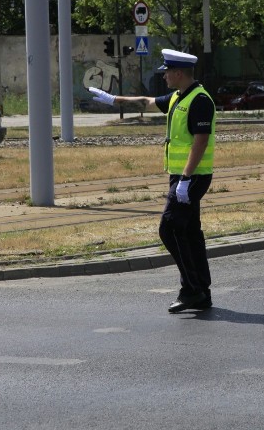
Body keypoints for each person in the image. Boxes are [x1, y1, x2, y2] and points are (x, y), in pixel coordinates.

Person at [88, 49, 216, 313]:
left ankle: (192, 289)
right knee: (189, 232)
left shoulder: (199, 100)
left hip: (191, 177)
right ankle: (201, 290)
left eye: (167, 72)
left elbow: (200, 142)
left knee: (169, 229)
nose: (164, 76)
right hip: (183, 176)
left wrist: (185, 179)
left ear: (178, 73)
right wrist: (114, 100)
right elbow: (146, 101)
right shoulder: (179, 97)